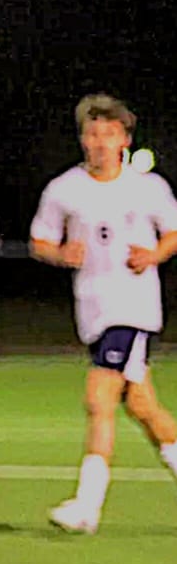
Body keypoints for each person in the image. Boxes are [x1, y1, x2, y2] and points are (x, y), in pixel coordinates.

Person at [29, 93, 177, 534]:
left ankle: (86, 507)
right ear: (82, 140)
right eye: (92, 134)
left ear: (124, 140)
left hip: (131, 309)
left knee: (99, 399)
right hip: (92, 310)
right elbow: (40, 242)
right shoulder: (64, 189)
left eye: (108, 134)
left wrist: (153, 254)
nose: (99, 142)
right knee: (146, 409)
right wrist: (60, 253)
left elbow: (173, 232)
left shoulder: (147, 187)